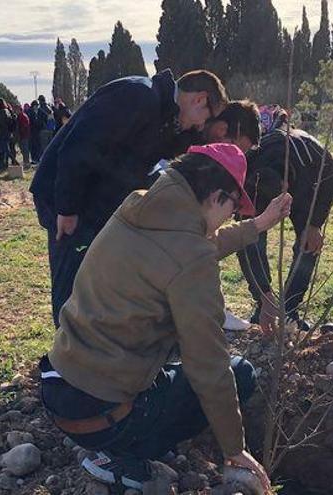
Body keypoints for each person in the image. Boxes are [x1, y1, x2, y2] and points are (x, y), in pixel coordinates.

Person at [40, 143, 287, 491]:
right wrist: (235, 449)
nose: (233, 217)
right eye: (234, 207)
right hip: (103, 416)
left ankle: (113, 440)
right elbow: (208, 364)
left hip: (59, 389)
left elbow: (194, 245)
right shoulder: (190, 256)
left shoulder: (137, 207)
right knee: (239, 373)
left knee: (173, 369)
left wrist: (258, 225)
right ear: (217, 196)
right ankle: (120, 458)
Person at [30, 69, 228, 328]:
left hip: (96, 201)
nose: (202, 125)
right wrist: (67, 208)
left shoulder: (163, 114)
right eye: (206, 116)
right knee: (73, 274)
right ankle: (64, 355)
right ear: (199, 99)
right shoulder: (137, 96)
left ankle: (88, 345)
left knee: (95, 274)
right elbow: (79, 147)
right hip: (67, 196)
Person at [233, 105, 333, 332]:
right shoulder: (251, 163)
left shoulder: (314, 157)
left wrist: (315, 224)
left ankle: (290, 309)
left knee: (308, 244)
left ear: (285, 187)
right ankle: (264, 304)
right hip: (261, 192)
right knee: (251, 239)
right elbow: (243, 241)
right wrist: (263, 294)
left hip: (306, 192)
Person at [0, 98, 15, 169]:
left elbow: (1, 123)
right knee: (6, 149)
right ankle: (6, 164)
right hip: (8, 132)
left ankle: (11, 162)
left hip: (3, 132)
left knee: (4, 149)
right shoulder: (7, 111)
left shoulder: (1, 112)